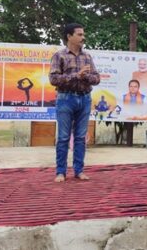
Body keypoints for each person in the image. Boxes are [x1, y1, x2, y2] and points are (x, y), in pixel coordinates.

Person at [49, 23, 100, 182]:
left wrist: (85, 77)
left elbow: (96, 79)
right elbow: (54, 79)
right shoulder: (59, 56)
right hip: (65, 98)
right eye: (79, 34)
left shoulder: (87, 57)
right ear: (69, 36)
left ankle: (79, 171)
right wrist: (77, 75)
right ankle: (60, 172)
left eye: (83, 34)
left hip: (84, 98)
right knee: (63, 137)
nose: (83, 37)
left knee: (80, 137)